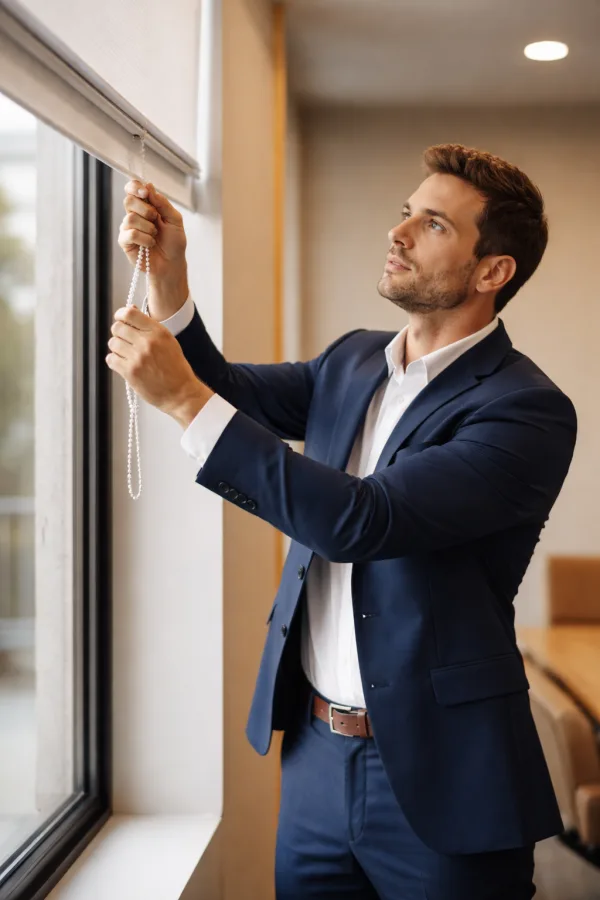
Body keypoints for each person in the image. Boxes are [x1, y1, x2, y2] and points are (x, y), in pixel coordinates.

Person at [107, 143, 577, 899]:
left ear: (493, 272)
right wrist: (170, 278)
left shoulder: (527, 410)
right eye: (406, 213)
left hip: (445, 772)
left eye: (433, 225)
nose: (398, 233)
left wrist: (185, 402)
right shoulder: (353, 360)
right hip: (316, 759)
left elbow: (366, 520)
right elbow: (225, 390)